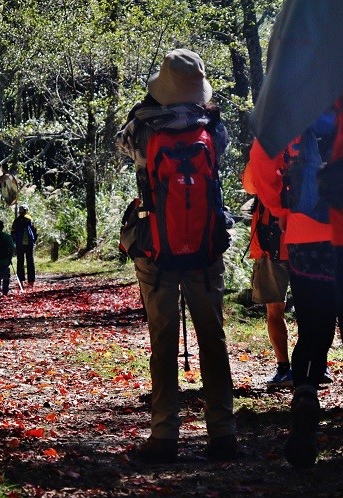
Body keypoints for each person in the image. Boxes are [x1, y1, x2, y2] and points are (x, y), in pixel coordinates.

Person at [115, 48, 236, 463]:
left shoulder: (141, 130)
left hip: (156, 250)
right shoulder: (214, 128)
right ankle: (223, 432)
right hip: (205, 247)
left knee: (163, 342)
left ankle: (164, 435)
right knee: (213, 339)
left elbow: (123, 149)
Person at [251, 112, 340, 468]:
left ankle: (305, 397)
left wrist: (279, 209)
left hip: (304, 236)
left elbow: (260, 163)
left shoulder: (295, 107)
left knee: (312, 327)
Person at [242, 155, 292, 388]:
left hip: (271, 240)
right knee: (312, 307)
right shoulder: (314, 142)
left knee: (275, 307)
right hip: (305, 238)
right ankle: (312, 365)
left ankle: (286, 368)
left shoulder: (265, 149)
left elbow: (250, 185)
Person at [11, 204, 37, 287]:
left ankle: (21, 281)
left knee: (20, 261)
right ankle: (31, 281)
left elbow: (12, 232)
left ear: (19, 212)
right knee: (30, 261)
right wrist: (34, 240)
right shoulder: (30, 219)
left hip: (19, 243)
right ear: (26, 211)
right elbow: (35, 231)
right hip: (29, 243)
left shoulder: (16, 220)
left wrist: (14, 242)